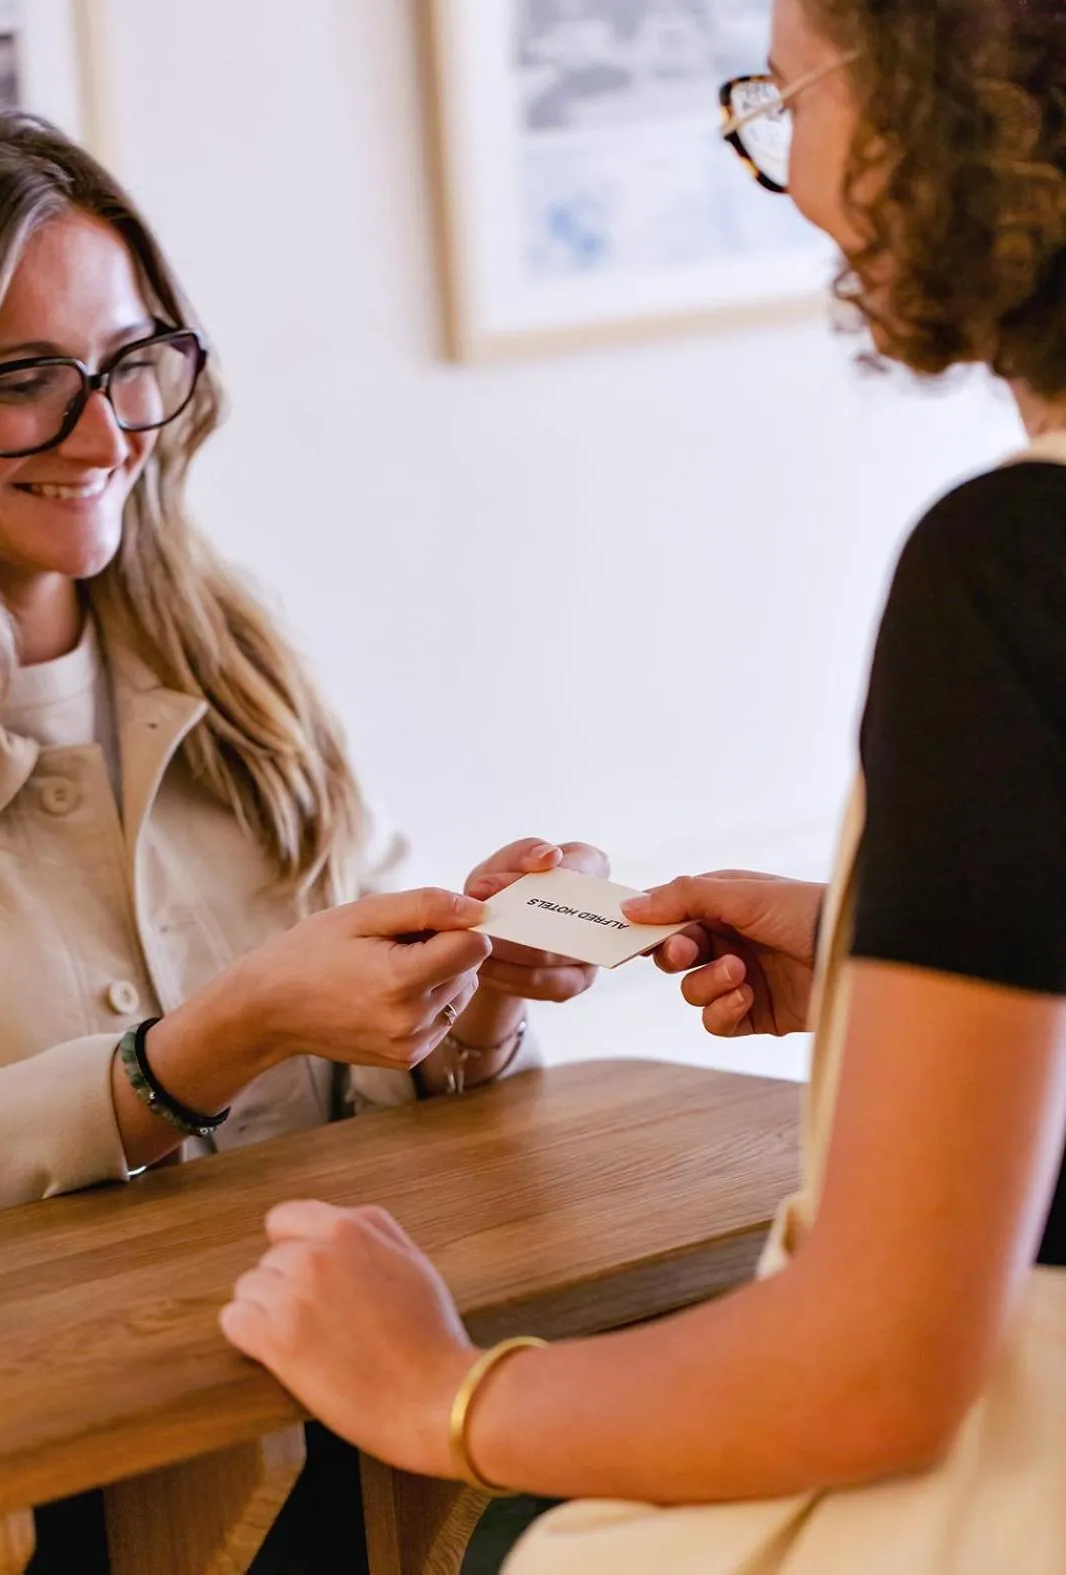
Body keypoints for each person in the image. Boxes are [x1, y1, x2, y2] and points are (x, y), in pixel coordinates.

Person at [222, 0, 1066, 1570]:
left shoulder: (1011, 572)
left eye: (788, 94)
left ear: (936, 111)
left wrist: (443, 1391)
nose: (786, 167)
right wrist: (902, 963)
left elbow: (879, 1370)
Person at [0, 109, 603, 1572]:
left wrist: (474, 1015)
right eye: (21, 381)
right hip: (28, 1495)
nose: (105, 435)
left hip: (335, 1433)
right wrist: (205, 1045)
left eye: (132, 361)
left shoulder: (236, 667)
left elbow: (367, 1129)